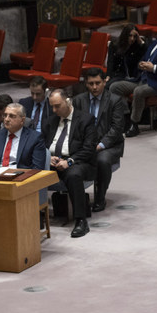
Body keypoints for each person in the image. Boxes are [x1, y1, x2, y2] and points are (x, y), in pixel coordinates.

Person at [110, 17, 157, 138]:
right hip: (143, 79)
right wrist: (142, 64)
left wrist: (154, 68)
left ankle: (134, 125)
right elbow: (145, 58)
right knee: (115, 87)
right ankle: (124, 118)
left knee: (139, 91)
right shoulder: (155, 43)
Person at [42, 89, 98, 238]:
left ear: (68, 102)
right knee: (34, 171)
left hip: (79, 161)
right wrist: (49, 156)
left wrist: (69, 161)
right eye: (52, 106)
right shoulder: (50, 121)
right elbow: (41, 144)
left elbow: (89, 149)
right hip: (54, 161)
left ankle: (81, 220)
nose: (54, 110)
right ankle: (37, 215)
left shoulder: (86, 120)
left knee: (74, 175)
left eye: (57, 106)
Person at [73, 68, 127, 212]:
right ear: (86, 84)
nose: (95, 87)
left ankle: (100, 197)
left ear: (104, 82)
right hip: (86, 143)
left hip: (109, 145)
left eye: (98, 83)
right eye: (91, 83)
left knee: (102, 160)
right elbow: (74, 126)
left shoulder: (115, 100)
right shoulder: (78, 100)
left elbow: (116, 129)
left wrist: (100, 145)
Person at [0, 103, 46, 170]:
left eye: (11, 116)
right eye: (5, 115)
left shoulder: (35, 138)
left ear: (22, 120)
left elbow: (37, 168)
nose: (6, 119)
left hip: (19, 176)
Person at [106, 24, 148, 89]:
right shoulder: (114, 44)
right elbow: (110, 61)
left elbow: (147, 50)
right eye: (130, 36)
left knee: (107, 86)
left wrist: (140, 41)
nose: (132, 39)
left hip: (126, 76)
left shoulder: (137, 47)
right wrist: (108, 75)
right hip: (114, 73)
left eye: (135, 36)